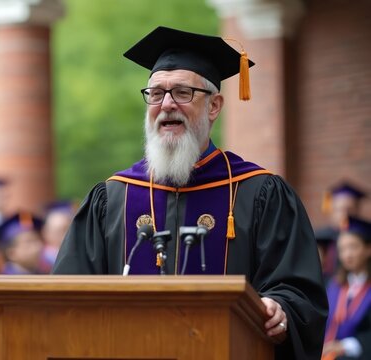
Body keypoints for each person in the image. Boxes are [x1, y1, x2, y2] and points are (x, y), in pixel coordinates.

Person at [52, 26, 327, 359]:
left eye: (182, 92)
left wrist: (281, 308)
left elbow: (297, 290)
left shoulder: (258, 192)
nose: (167, 104)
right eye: (155, 94)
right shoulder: (112, 199)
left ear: (214, 106)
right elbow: (65, 297)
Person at [323, 216, 371, 360]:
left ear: (369, 249)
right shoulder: (331, 284)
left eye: (353, 247)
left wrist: (344, 346)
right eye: (342, 249)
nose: (347, 255)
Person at [318, 182, 367, 279]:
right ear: (332, 210)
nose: (345, 214)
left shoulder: (365, 236)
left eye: (349, 209)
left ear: (357, 210)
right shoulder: (319, 238)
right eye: (340, 209)